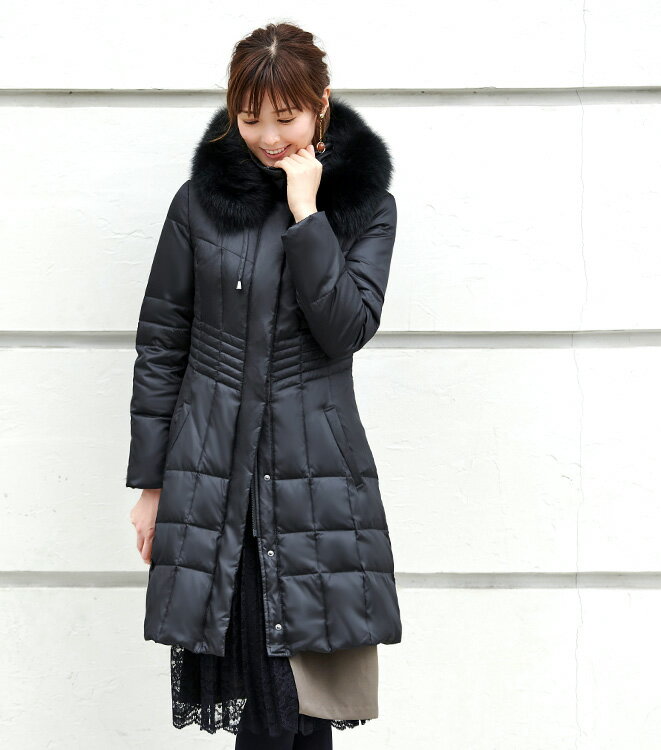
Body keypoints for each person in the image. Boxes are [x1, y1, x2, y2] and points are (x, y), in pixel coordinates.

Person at [126, 21, 402, 749]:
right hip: (215, 484)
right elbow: (162, 343)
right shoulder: (198, 204)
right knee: (269, 707)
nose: (269, 138)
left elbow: (345, 328)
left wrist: (309, 214)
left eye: (286, 117)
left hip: (316, 485)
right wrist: (151, 485)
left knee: (304, 712)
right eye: (251, 120)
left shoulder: (365, 207)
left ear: (321, 105)